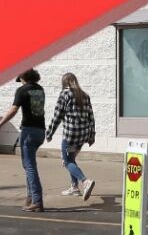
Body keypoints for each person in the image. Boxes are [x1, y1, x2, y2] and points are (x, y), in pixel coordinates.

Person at [0, 69, 46, 212]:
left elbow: (14, 110)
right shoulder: (40, 89)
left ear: (23, 76)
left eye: (20, 78)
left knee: (29, 166)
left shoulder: (22, 90)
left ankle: (37, 200)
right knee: (28, 165)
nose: (20, 81)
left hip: (29, 131)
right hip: (40, 131)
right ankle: (30, 198)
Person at [46, 72, 96, 200]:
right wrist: (92, 136)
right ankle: (74, 188)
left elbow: (57, 116)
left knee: (67, 161)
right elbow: (91, 117)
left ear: (64, 82)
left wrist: (49, 132)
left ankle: (85, 181)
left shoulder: (65, 94)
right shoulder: (85, 95)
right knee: (71, 159)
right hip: (82, 136)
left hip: (71, 136)